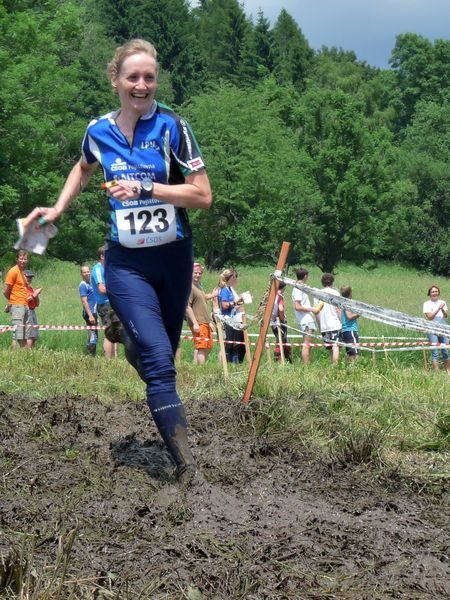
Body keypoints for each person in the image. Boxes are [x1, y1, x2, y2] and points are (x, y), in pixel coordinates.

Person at [22, 39, 212, 484]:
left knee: (158, 357)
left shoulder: (173, 128)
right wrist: (57, 209)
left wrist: (150, 190)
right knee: (161, 366)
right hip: (126, 262)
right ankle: (188, 471)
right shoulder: (99, 131)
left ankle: (125, 332)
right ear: (116, 81)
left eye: (149, 77)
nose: (141, 85)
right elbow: (83, 167)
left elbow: (202, 195)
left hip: (173, 258)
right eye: (133, 77)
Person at [185, 263, 217, 364]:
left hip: (205, 321)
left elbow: (203, 298)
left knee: (208, 346)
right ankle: (201, 367)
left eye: (200, 273)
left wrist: (213, 295)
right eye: (195, 273)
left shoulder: (198, 286)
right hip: (198, 321)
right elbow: (187, 306)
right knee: (202, 346)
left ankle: (196, 365)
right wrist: (194, 323)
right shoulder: (189, 287)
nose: (198, 275)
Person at [292, 267, 323, 364]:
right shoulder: (298, 289)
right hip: (305, 320)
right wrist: (312, 309)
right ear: (305, 276)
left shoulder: (301, 287)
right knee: (307, 343)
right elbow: (297, 306)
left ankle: (308, 362)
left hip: (307, 319)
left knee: (309, 344)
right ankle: (306, 365)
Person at [91, 246, 117, 358]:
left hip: (112, 302)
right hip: (105, 304)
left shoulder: (108, 268)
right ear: (102, 256)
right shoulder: (97, 269)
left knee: (114, 331)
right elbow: (102, 289)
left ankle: (112, 359)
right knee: (109, 332)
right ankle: (108, 361)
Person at [217, 269, 246, 364]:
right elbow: (225, 305)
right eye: (235, 277)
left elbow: (231, 305)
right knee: (230, 345)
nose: (236, 279)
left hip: (233, 319)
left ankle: (234, 364)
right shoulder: (225, 290)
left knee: (236, 345)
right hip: (227, 320)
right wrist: (235, 302)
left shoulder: (229, 289)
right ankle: (228, 364)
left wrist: (238, 303)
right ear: (230, 278)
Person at [3, 250, 30, 349]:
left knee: (25, 335)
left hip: (25, 304)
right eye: (21, 258)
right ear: (17, 259)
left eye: (25, 259)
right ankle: (16, 358)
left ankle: (24, 358)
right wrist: (12, 302)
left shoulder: (22, 272)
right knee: (17, 335)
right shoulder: (13, 271)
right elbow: (6, 291)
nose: (23, 261)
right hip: (17, 305)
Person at [423, 285, 450, 373]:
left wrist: (442, 309)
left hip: (443, 329)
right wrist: (438, 308)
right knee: (435, 351)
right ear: (430, 293)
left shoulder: (443, 302)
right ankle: (437, 373)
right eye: (433, 292)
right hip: (432, 329)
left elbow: (446, 316)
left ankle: (448, 371)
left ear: (438, 292)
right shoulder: (426, 304)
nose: (435, 293)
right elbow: (430, 317)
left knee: (445, 350)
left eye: (436, 291)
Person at [316, 273, 341, 363]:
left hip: (324, 326)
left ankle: (332, 365)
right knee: (336, 347)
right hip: (335, 324)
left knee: (330, 348)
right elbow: (338, 310)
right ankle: (335, 367)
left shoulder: (317, 293)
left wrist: (320, 325)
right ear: (332, 282)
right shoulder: (336, 293)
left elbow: (316, 312)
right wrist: (342, 322)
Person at [270, 281, 292, 362]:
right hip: (279, 321)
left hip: (273, 321)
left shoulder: (272, 295)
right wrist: (283, 319)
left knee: (279, 340)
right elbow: (281, 309)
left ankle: (281, 359)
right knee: (283, 341)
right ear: (283, 288)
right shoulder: (279, 296)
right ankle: (282, 360)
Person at [79, 265, 98, 356]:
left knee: (92, 333)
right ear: (81, 274)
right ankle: (91, 356)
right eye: (84, 272)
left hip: (94, 311)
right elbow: (84, 301)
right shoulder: (83, 285)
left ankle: (89, 355)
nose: (87, 274)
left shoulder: (89, 284)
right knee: (94, 334)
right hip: (89, 312)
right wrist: (90, 315)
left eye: (88, 271)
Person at [340, 285, 360, 362]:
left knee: (350, 352)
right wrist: (358, 314)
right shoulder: (347, 303)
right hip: (350, 329)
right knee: (354, 353)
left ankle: (348, 368)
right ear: (350, 293)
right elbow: (349, 316)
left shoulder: (344, 302)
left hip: (347, 330)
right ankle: (353, 369)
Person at [24, 270, 43, 348]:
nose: (29, 279)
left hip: (32, 311)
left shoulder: (30, 288)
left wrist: (36, 294)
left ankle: (32, 352)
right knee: (29, 334)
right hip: (26, 311)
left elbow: (37, 304)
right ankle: (27, 353)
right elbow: (24, 300)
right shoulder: (21, 288)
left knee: (34, 335)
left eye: (31, 277)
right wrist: (34, 294)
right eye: (28, 277)